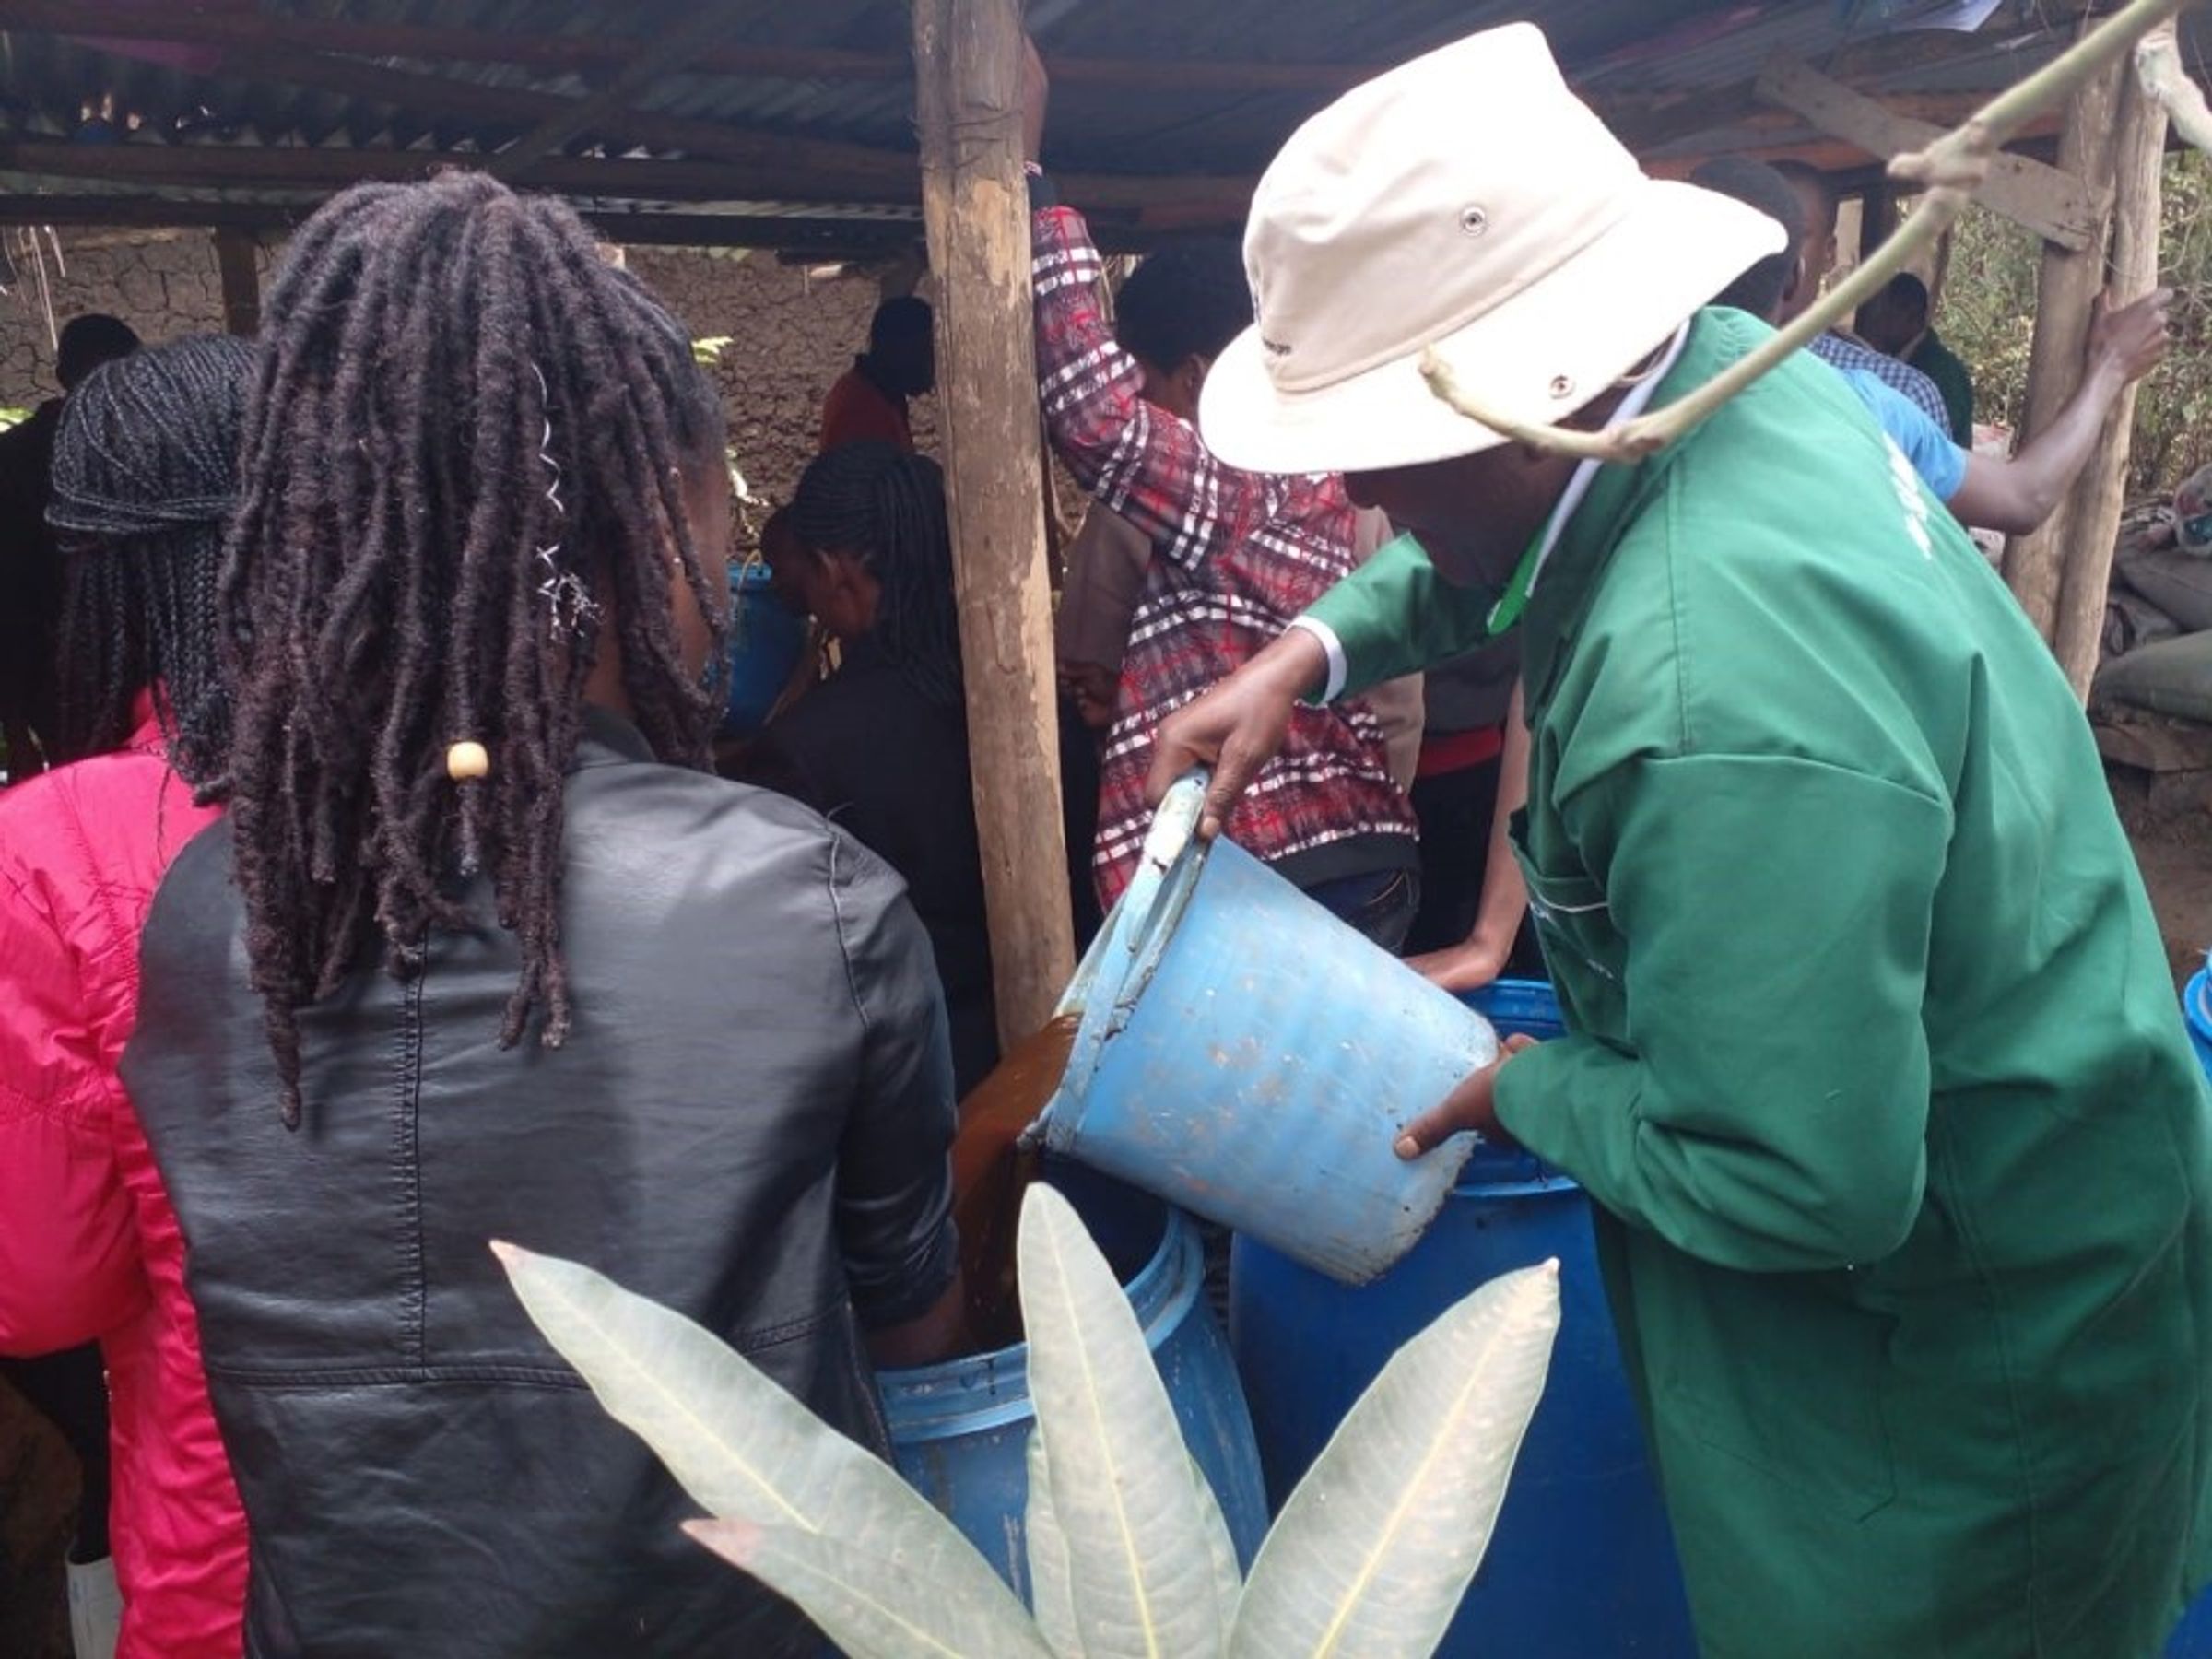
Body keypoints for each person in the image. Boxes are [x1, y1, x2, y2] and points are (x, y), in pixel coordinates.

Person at [1149, 23, 2212, 1655]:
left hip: (1960, 1345)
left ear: (1519, 407)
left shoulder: (1714, 695)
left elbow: (1808, 1178)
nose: (1356, 476)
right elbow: (1519, 542)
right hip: (2034, 1153)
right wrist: (1309, 653)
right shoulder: (1712, 380)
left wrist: (1532, 1083)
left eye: (1374, 431)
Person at [26, 176, 962, 1659]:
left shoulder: (208, 919)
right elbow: (913, 1334)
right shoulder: (808, 899)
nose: (727, 573)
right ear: (643, 526)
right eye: (713, 514)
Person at [1022, 61, 1420, 944]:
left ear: (1196, 378)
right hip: (1355, 858)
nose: (1146, 405)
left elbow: (1091, 415)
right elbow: (1398, 701)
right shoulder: (1320, 461)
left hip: (1270, 869)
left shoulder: (1236, 470)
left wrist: (1026, 173)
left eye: (1151, 381)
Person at [0, 334, 252, 1659]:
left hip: (238, 1549)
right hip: (554, 1529)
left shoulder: (57, 847)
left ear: (89, 574)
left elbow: (44, 1286)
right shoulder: (486, 783)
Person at [1697, 155, 2170, 537]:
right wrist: (2110, 366)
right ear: (1797, 271)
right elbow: (2024, 498)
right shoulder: (1876, 399)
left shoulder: (1630, 382)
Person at [748, 442, 1001, 1095]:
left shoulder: (806, 749)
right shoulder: (1029, 701)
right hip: (1052, 1053)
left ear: (834, 573)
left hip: (912, 1085)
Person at [0, 313, 140, 781]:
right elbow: (8, 593)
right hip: (58, 671)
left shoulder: (148, 454)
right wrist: (15, 727)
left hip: (117, 677)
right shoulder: (19, 461)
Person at [1770, 159, 1954, 429]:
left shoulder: (1903, 395)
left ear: (1829, 253)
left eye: (1795, 235)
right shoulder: (1692, 367)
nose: (1774, 251)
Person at [1858, 269, 1976, 443]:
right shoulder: (1903, 360)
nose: (1877, 322)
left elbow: (1935, 439)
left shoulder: (1941, 371)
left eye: (1886, 314)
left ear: (1911, 315)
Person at [818, 294, 934, 453]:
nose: (932, 367)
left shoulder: (880, 395)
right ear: (899, 349)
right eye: (926, 352)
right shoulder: (862, 408)